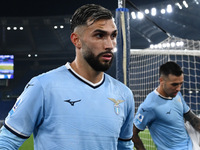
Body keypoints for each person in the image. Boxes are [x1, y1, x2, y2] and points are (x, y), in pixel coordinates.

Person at [0, 4, 135, 150]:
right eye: (99, 35)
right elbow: (6, 142)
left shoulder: (124, 94)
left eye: (113, 36)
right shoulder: (43, 86)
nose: (110, 45)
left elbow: (124, 146)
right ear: (76, 40)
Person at [132, 61, 200, 150]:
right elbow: (132, 133)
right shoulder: (149, 106)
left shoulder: (177, 94)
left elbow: (191, 118)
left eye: (181, 83)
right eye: (174, 84)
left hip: (192, 145)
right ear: (161, 81)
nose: (178, 88)